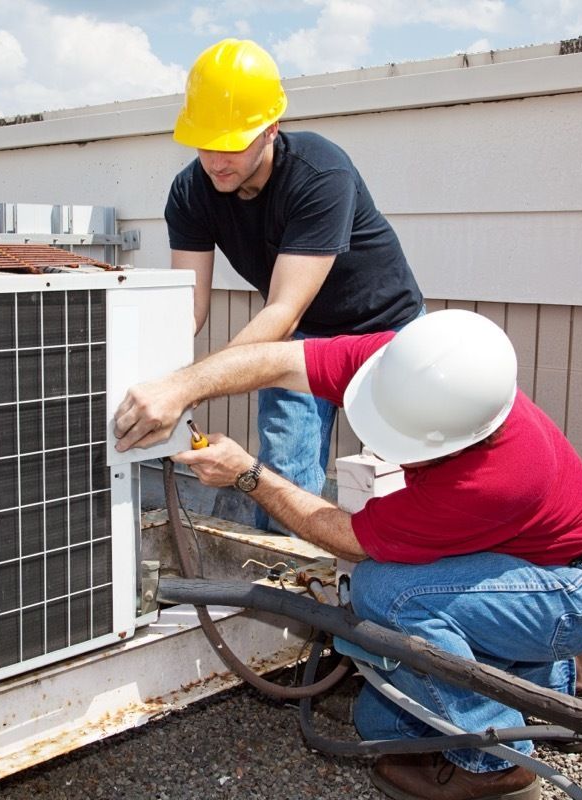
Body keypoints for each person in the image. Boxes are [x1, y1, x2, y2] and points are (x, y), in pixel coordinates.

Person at [113, 309, 582, 800]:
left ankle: (494, 765)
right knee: (375, 721)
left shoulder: (494, 480)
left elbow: (348, 537)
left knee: (386, 594)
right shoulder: (407, 364)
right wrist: (182, 386)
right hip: (530, 563)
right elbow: (276, 359)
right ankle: (563, 679)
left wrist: (248, 475)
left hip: (570, 588)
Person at [166, 38, 424, 530]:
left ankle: (406, 580)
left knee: (414, 466)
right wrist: (159, 376)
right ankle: (287, 587)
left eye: (234, 142)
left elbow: (283, 309)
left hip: (387, 331)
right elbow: (190, 305)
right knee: (282, 470)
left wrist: (188, 387)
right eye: (206, 143)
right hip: (302, 338)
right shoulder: (190, 192)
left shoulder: (319, 171)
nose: (218, 160)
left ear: (270, 129)